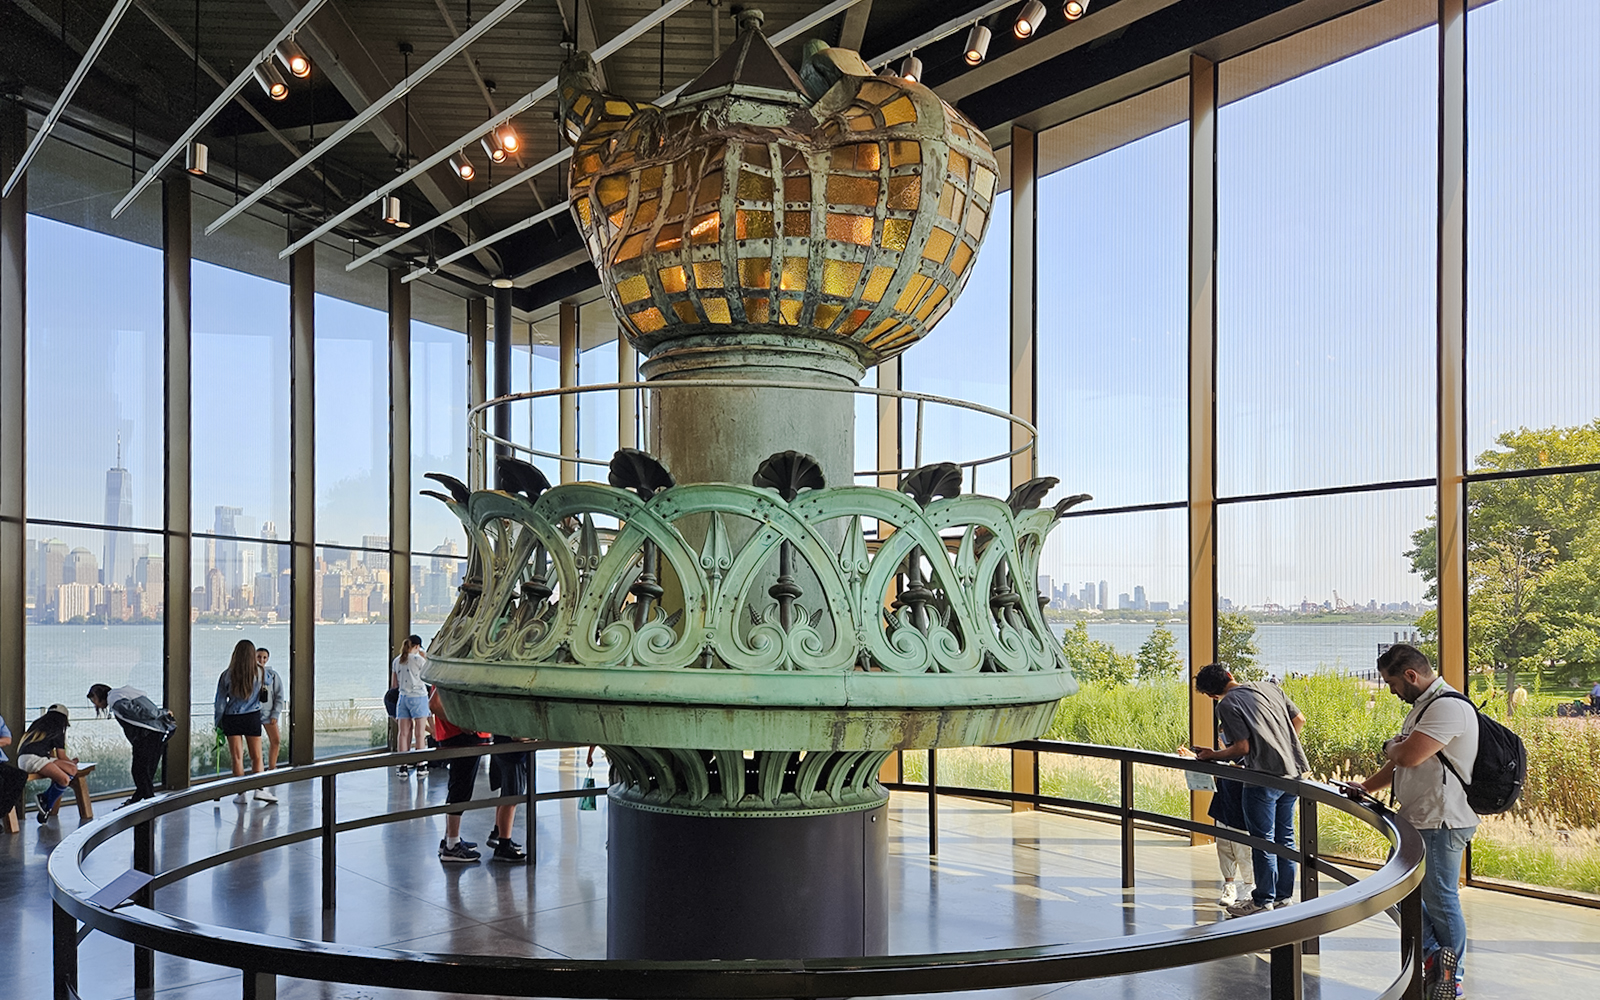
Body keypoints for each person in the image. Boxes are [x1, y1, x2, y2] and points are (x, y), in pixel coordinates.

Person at [1340, 644, 1479, 1000]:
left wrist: (1391, 745)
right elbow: (1402, 761)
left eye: (1391, 683)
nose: (1390, 690)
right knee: (1399, 893)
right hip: (1420, 818)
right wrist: (1367, 786)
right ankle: (1437, 961)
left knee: (1441, 899)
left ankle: (1452, 977)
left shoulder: (1447, 707)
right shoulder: (1425, 707)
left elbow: (1409, 755)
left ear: (1411, 676)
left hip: (1440, 820)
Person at [1192, 662, 1309, 918]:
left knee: (1261, 840)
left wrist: (1213, 755)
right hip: (1292, 772)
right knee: (1285, 838)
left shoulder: (1226, 705)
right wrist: (1283, 748)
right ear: (1231, 675)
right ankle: (1283, 897)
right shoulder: (1269, 688)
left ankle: (1262, 900)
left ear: (1212, 695)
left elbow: (1242, 748)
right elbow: (1299, 720)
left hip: (1261, 778)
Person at [87, 683, 176, 806]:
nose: (95, 705)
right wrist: (161, 713)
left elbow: (138, 713)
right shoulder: (122, 695)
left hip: (147, 735)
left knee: (140, 772)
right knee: (145, 771)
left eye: (94, 700)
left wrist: (161, 713)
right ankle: (138, 801)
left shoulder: (115, 700)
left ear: (98, 696)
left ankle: (150, 804)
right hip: (155, 733)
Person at [214, 639, 277, 805]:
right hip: (252, 716)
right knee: (257, 757)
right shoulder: (261, 673)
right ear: (252, 655)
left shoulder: (226, 674)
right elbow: (270, 682)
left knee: (237, 757)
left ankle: (241, 794)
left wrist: (218, 722)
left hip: (231, 717)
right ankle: (259, 790)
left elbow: (220, 702)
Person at [430, 684, 488, 862]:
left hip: (462, 734)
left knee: (459, 784)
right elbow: (434, 703)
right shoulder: (449, 674)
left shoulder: (446, 670)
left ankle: (450, 838)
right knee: (461, 787)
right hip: (462, 736)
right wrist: (460, 723)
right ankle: (452, 845)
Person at [15, 705, 79, 824]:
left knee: (71, 769)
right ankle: (46, 803)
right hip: (34, 759)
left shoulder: (37, 724)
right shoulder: (58, 728)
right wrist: (71, 761)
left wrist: (70, 764)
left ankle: (45, 802)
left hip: (28, 758)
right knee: (64, 779)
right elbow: (61, 756)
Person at [485, 734, 531, 862]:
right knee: (511, 798)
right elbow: (518, 736)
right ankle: (504, 845)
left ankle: (499, 833)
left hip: (501, 749)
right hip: (513, 754)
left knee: (505, 795)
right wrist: (531, 738)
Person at [391, 635, 431, 778]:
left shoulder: (397, 660)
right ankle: (421, 765)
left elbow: (394, 685)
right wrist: (424, 655)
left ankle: (402, 766)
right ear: (417, 646)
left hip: (402, 698)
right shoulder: (419, 660)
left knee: (403, 733)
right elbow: (430, 673)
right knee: (419, 733)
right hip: (418, 696)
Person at [257, 648, 286, 771]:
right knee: (256, 745)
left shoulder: (273, 675)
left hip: (269, 715)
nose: (262, 660)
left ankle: (272, 768)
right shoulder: (250, 675)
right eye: (259, 657)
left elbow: (279, 696)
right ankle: (259, 769)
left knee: (276, 740)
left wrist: (275, 713)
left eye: (264, 657)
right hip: (253, 714)